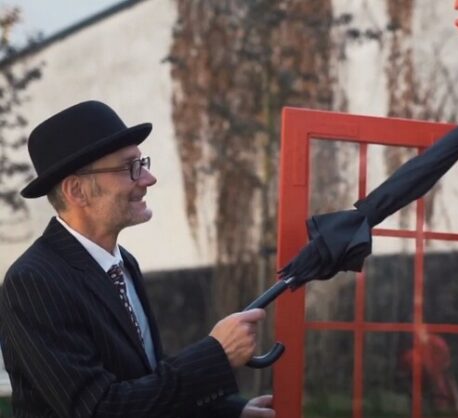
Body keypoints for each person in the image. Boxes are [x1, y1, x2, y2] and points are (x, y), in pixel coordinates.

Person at [0, 101, 275, 418]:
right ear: (77, 191)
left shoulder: (123, 263)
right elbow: (99, 408)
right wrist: (215, 355)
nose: (148, 178)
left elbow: (146, 379)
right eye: (130, 167)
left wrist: (231, 412)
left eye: (142, 162)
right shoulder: (35, 281)